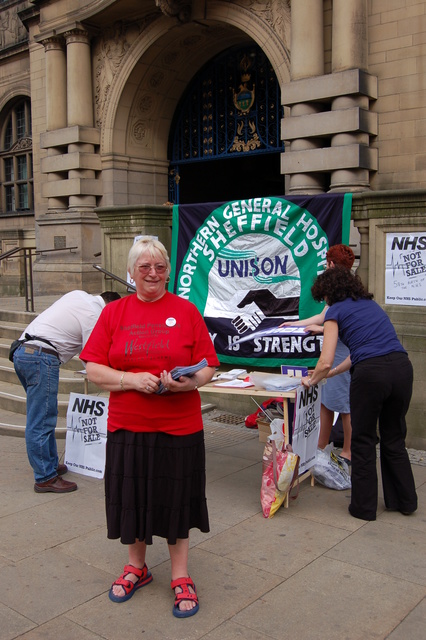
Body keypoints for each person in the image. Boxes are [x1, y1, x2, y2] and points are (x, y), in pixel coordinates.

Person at [80, 236, 219, 619]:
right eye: (145, 267)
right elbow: (92, 368)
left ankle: (180, 575)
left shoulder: (186, 310)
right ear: (131, 272)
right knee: (133, 498)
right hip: (129, 423)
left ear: (168, 271)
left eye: (159, 266)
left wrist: (189, 383)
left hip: (180, 425)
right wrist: (130, 380)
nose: (153, 273)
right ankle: (136, 568)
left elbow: (208, 363)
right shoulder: (114, 313)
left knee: (177, 500)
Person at [300, 266, 418, 521]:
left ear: (328, 293)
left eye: (324, 298)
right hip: (401, 369)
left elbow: (325, 360)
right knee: (394, 439)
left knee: (363, 441)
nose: (325, 302)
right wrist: (331, 375)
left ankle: (364, 508)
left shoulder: (335, 311)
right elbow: (358, 353)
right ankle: (405, 501)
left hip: (371, 376)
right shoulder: (370, 305)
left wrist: (312, 381)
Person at [13, 290, 121, 494]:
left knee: (42, 415)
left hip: (23, 351)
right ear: (110, 307)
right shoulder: (95, 314)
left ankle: (50, 464)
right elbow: (93, 356)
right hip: (41, 357)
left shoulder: (78, 295)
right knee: (42, 419)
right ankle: (45, 477)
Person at [282, 244, 355, 464]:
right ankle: (321, 446)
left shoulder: (344, 290)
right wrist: (294, 324)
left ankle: (348, 452)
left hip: (342, 352)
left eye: (326, 262)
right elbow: (325, 317)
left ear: (332, 264)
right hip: (338, 348)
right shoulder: (345, 287)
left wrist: (323, 328)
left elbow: (340, 321)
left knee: (345, 406)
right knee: (326, 401)